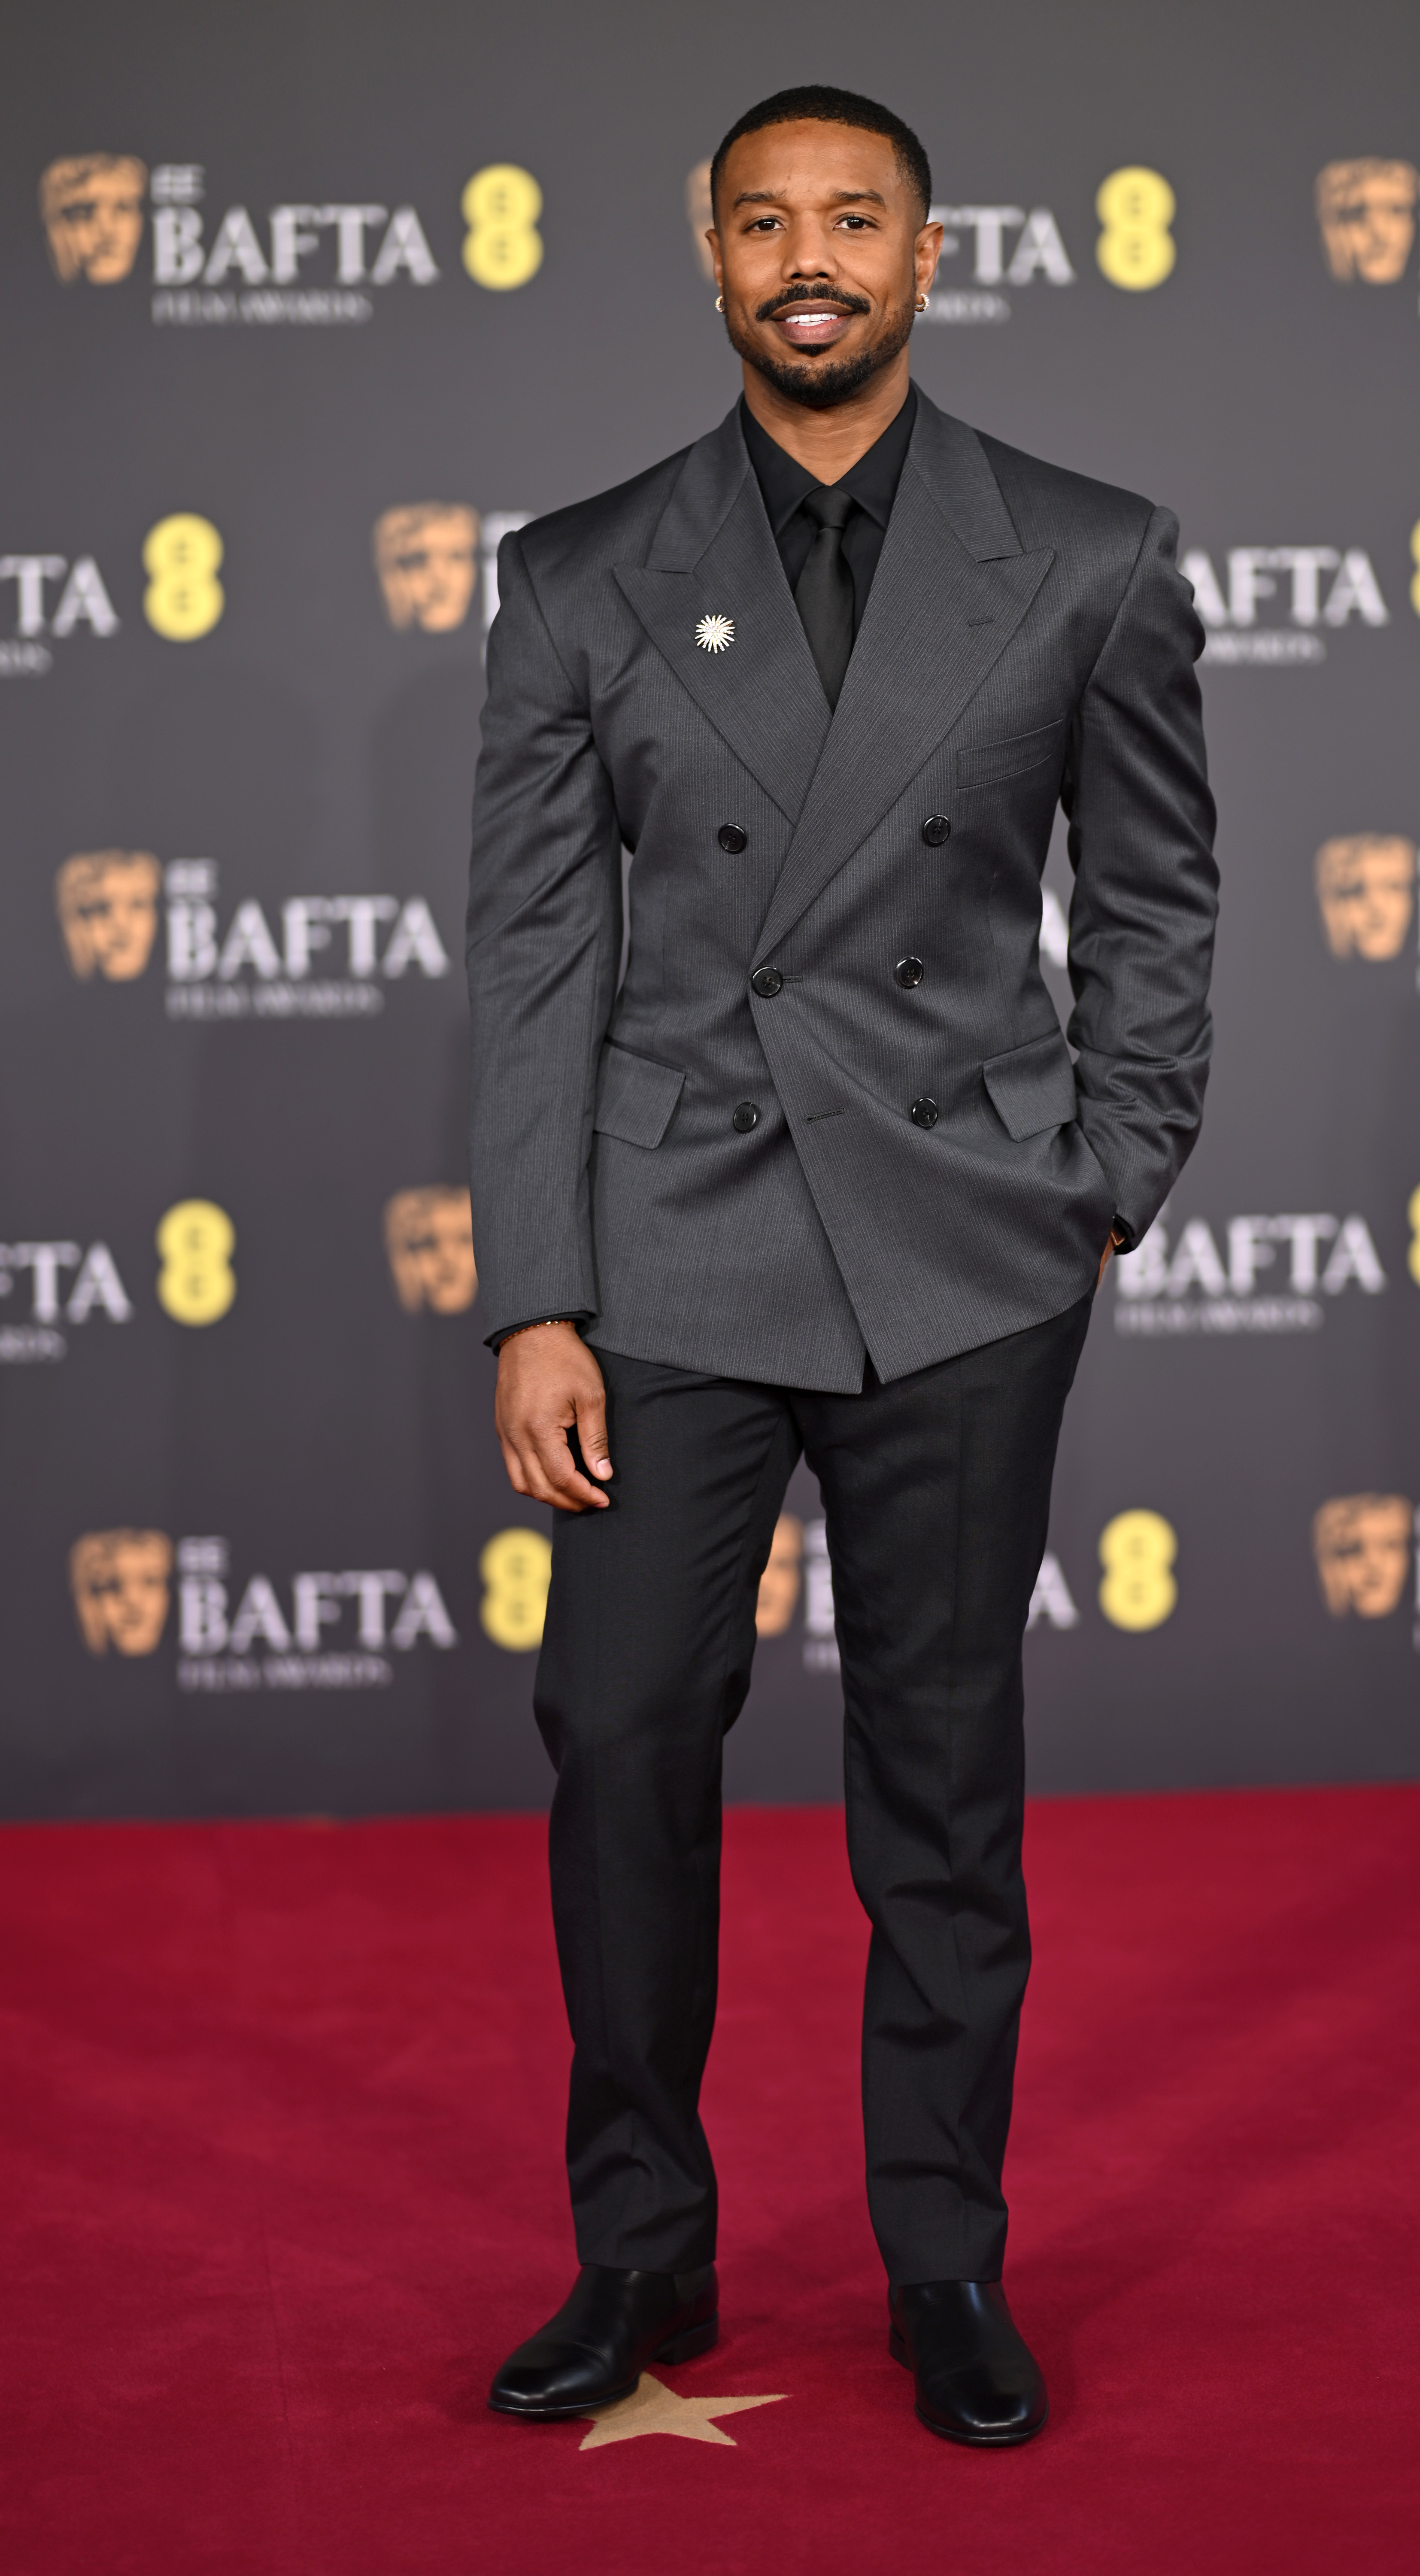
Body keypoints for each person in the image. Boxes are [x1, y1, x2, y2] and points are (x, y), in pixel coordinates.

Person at [467, 84, 1217, 2446]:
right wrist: (534, 1295)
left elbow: (1164, 897)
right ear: (710, 257)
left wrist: (1104, 1173)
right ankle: (639, 2254)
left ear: (926, 256)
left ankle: (948, 2267)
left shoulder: (1088, 554)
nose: (813, 258)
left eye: (854, 222)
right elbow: (523, 962)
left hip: (961, 1260)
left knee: (943, 1779)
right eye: (767, 223)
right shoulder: (580, 569)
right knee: (614, 1739)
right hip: (668, 1248)